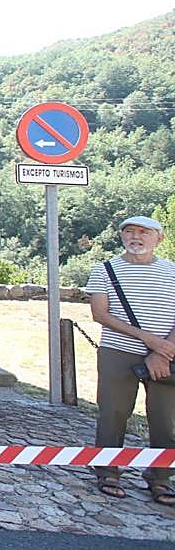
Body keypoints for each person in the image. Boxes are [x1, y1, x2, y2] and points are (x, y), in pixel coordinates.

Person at [86, 216, 175, 506]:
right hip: (119, 350)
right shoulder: (105, 270)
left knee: (165, 419)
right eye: (130, 232)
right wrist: (149, 340)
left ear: (158, 238)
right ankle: (108, 470)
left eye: (143, 232)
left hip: (165, 354)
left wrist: (162, 350)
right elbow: (101, 314)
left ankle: (160, 476)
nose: (136, 237)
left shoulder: (172, 272)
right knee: (114, 412)